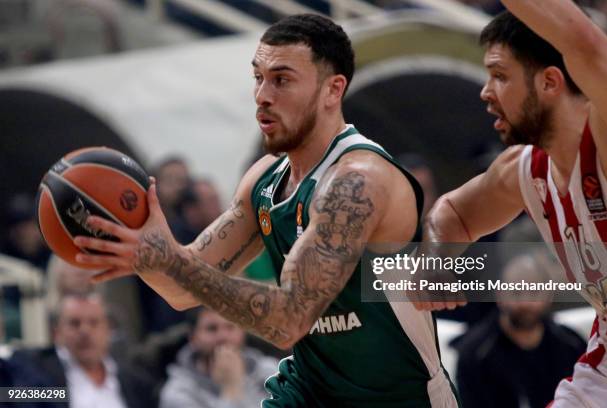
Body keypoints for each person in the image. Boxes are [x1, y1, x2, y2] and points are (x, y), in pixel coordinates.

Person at [72, 14, 459, 407]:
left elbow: (287, 320)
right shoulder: (263, 181)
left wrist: (171, 261)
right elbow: (182, 290)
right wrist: (138, 247)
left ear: (333, 90)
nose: (262, 95)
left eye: (282, 79)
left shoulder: (359, 181)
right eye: (258, 77)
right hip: (308, 392)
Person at [421, 1, 607, 406]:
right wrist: (437, 259)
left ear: (550, 82)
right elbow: (452, 213)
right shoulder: (525, 171)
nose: (485, 92)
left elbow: (586, 43)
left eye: (500, 76)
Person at [454, 254, 586, 408]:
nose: (525, 303)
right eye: (516, 292)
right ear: (500, 294)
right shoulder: (474, 354)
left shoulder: (572, 345)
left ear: (548, 295)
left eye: (534, 293)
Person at [10, 293, 157, 408]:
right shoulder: (37, 370)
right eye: (75, 323)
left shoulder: (134, 380)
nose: (85, 331)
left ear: (109, 330)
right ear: (57, 332)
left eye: (94, 323)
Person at [160, 308, 277, 408]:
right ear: (192, 337)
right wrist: (231, 389)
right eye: (212, 328)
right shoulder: (178, 394)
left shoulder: (272, 372)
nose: (223, 336)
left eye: (230, 327)